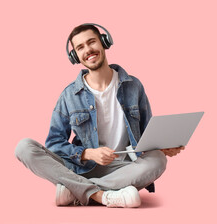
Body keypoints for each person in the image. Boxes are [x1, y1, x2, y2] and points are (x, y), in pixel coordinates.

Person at [15, 23, 184, 208]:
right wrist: (87, 153)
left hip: (120, 168)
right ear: (75, 56)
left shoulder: (133, 86)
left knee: (158, 160)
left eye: (91, 42)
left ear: (104, 42)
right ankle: (102, 196)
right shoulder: (69, 95)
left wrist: (163, 146)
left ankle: (75, 191)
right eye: (80, 47)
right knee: (24, 147)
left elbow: (146, 135)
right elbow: (54, 144)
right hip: (79, 168)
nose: (88, 50)